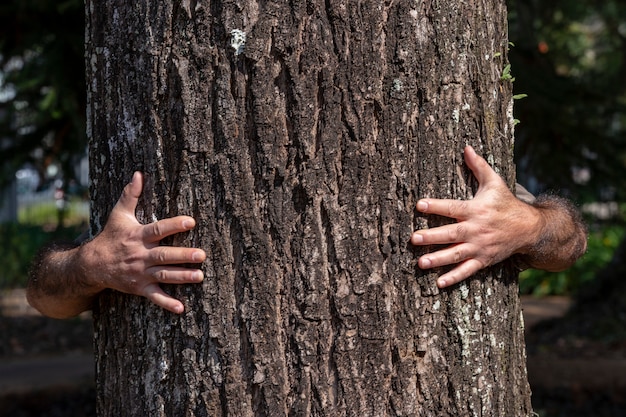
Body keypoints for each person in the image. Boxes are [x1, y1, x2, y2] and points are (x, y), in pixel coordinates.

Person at [27, 146, 587, 319]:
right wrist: (89, 265)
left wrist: (529, 222)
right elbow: (43, 295)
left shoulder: (488, 187)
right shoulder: (131, 186)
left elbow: (569, 245)